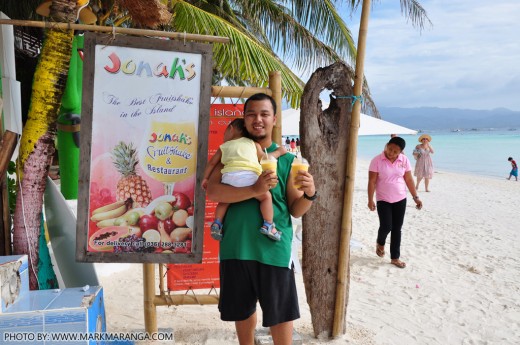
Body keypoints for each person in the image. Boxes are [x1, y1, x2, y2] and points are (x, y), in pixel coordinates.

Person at [207, 93, 316, 345]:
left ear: (274, 120)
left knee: (280, 315)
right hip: (235, 246)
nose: (258, 119)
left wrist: (311, 193)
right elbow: (213, 191)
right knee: (242, 313)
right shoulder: (231, 154)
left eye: (264, 114)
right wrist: (255, 190)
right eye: (251, 114)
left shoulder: (288, 160)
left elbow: (296, 209)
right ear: (244, 119)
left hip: (274, 250)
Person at [202, 118, 286, 241]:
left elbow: (212, 163)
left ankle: (217, 223)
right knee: (266, 197)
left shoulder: (224, 147)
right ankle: (268, 224)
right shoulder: (253, 144)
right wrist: (280, 151)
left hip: (228, 178)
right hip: (249, 177)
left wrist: (205, 178)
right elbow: (265, 158)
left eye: (224, 132)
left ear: (231, 129)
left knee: (225, 201)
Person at [368, 136, 422, 269]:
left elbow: (409, 179)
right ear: (386, 145)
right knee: (386, 226)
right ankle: (380, 242)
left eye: (395, 151)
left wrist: (416, 197)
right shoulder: (377, 160)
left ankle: (395, 258)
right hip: (383, 199)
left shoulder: (404, 160)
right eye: (389, 149)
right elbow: (372, 181)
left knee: (397, 229)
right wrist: (370, 199)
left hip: (400, 199)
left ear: (401, 152)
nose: (391, 153)